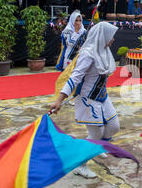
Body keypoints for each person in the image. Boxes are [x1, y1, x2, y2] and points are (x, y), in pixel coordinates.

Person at [50, 22, 120, 179]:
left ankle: (97, 147)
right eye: (111, 36)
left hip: (102, 96)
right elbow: (75, 77)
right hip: (88, 98)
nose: (113, 40)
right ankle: (80, 165)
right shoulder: (88, 54)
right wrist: (59, 99)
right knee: (96, 133)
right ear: (102, 37)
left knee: (114, 126)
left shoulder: (104, 51)